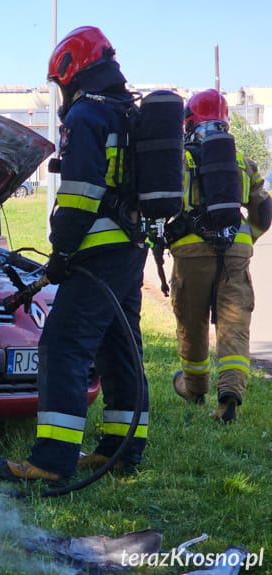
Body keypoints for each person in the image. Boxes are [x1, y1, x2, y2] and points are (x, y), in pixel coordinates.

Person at [0, 26, 150, 482]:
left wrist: (61, 250)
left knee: (63, 346)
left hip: (97, 252)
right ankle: (123, 450)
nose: (61, 92)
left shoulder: (85, 116)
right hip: (128, 248)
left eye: (59, 83)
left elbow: (80, 196)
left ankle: (51, 462)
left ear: (71, 72)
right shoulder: (125, 111)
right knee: (121, 346)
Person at [170, 89, 271, 423]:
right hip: (235, 255)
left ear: (189, 121)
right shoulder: (243, 162)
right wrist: (244, 242)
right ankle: (229, 398)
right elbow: (264, 213)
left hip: (191, 253)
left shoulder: (180, 159)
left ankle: (194, 387)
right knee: (234, 325)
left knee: (192, 321)